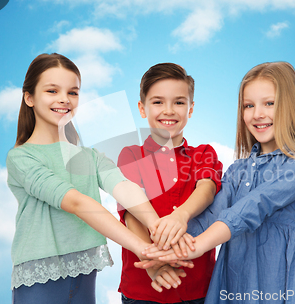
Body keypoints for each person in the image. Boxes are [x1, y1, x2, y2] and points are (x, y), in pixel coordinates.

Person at [142, 62, 295, 304]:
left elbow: (254, 206)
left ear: (291, 106)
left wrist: (196, 247)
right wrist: (166, 244)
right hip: (233, 281)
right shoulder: (237, 170)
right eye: (248, 106)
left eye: (269, 103)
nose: (257, 114)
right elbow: (211, 216)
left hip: (280, 283)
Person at [6, 53, 174, 304]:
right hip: (39, 280)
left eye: (72, 92)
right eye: (52, 91)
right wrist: (144, 249)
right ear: (29, 97)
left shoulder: (89, 156)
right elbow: (77, 204)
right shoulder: (21, 157)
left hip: (84, 273)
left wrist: (158, 230)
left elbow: (125, 188)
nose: (64, 99)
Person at [117, 63, 223, 303]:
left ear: (191, 108)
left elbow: (206, 188)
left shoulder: (204, 153)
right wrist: (152, 264)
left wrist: (180, 216)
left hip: (199, 287)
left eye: (179, 102)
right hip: (143, 287)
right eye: (157, 102)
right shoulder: (131, 154)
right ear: (142, 108)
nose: (169, 110)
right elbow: (131, 212)